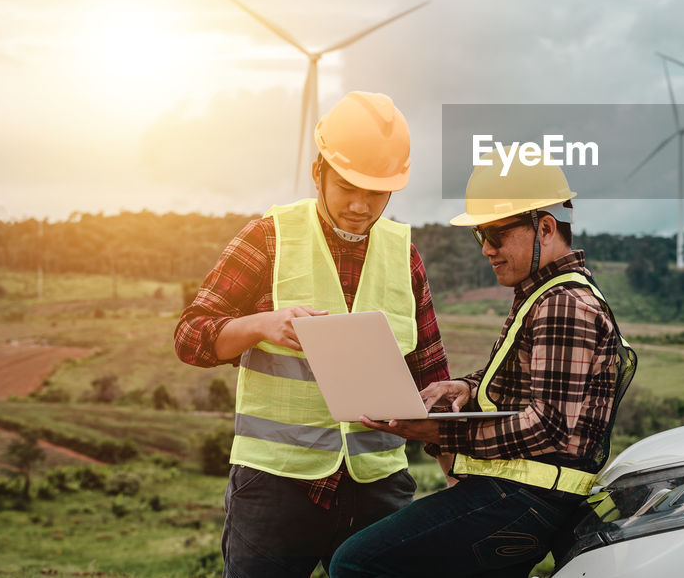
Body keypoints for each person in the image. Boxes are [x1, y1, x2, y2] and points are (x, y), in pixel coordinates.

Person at [174, 91, 450, 578]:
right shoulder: (268, 238)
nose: (362, 206)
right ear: (318, 170)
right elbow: (190, 336)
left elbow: (432, 376)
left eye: (378, 193)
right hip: (275, 487)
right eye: (348, 187)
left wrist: (456, 476)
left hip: (378, 487)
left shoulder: (404, 256)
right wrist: (261, 324)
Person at [328, 160, 636, 578]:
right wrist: (465, 387)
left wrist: (438, 431)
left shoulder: (562, 304)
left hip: (521, 497)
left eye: (495, 234)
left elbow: (548, 426)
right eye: (480, 235)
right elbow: (526, 383)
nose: (487, 248)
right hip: (524, 497)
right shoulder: (544, 294)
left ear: (545, 228)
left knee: (356, 561)